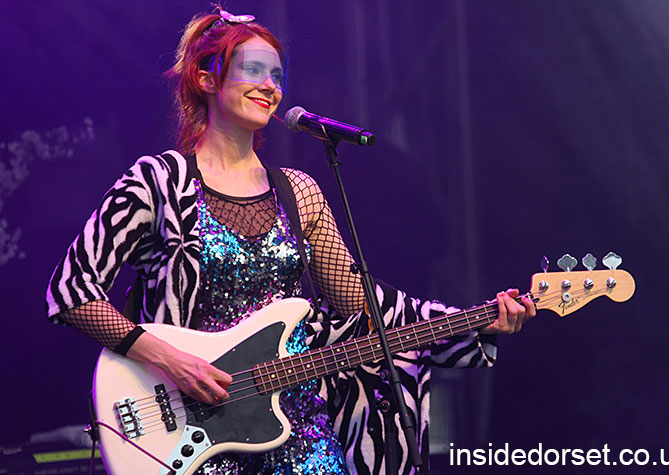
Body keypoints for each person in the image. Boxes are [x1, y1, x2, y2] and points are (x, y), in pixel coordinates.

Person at [45, 8, 535, 475]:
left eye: (277, 76)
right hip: (190, 429)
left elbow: (363, 307)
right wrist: (172, 361)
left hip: (298, 431)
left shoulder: (298, 191)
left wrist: (476, 321)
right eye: (253, 70)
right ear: (206, 78)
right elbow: (71, 292)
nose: (270, 86)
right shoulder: (160, 181)